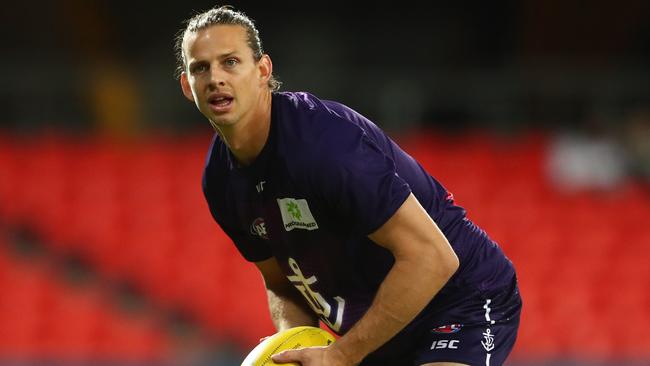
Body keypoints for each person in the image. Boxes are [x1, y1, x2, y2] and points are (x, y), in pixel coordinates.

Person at [175, 5, 521, 366]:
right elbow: (283, 284)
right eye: (201, 67)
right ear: (187, 85)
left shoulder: (324, 145)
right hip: (380, 327)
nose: (215, 77)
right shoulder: (219, 181)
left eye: (230, 62)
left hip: (458, 300)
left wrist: (342, 354)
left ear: (263, 70)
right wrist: (294, 347)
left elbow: (433, 257)